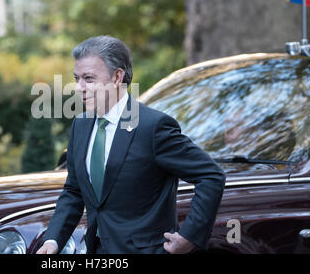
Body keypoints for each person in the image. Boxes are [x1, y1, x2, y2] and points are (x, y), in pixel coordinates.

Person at [36, 35, 226, 254]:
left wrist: (190, 236)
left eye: (88, 78)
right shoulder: (81, 124)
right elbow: (74, 191)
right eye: (76, 78)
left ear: (117, 77)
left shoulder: (153, 127)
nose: (79, 88)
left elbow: (211, 176)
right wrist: (53, 240)